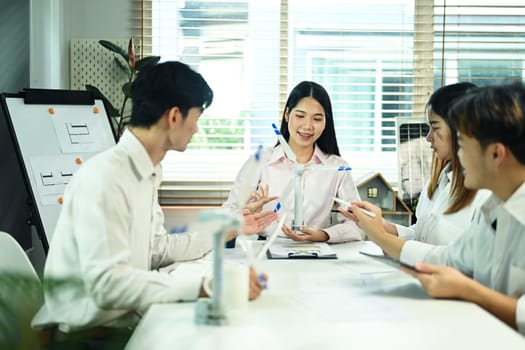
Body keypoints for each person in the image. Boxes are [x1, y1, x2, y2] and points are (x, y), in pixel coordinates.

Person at [32, 61, 278, 345]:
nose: (197, 129)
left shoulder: (146, 171)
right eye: (196, 117)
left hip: (121, 324)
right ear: (174, 116)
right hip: (84, 339)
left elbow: (157, 250)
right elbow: (107, 285)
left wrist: (227, 232)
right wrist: (203, 286)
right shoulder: (106, 178)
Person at [343, 81, 525, 334]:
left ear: (495, 155)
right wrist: (382, 236)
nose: (459, 156)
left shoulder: (491, 203)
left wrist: (468, 290)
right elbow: (450, 259)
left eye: (463, 144)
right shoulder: (495, 209)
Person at [223, 81, 364, 243]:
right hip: (264, 250)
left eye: (317, 119)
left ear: (326, 122)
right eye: (300, 116)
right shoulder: (260, 161)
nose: (307, 126)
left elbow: (359, 226)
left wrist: (323, 235)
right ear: (287, 114)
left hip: (317, 252)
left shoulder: (337, 167)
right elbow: (228, 213)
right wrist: (246, 212)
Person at [382, 82, 490, 245]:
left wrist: (394, 245)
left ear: (459, 129)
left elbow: (459, 257)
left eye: (435, 128)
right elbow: (423, 234)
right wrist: (383, 227)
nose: (428, 137)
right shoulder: (438, 180)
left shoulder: (485, 192)